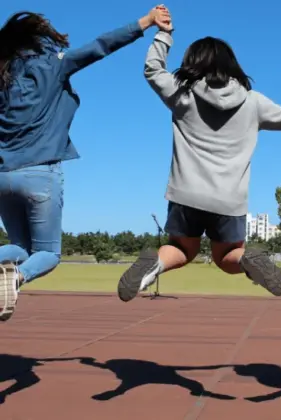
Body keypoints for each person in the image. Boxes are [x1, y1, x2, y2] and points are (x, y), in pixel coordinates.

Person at [117, 8, 281, 302]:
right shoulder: (253, 103)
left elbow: (153, 69)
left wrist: (163, 34)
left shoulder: (183, 94)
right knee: (227, 256)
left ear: (193, 63)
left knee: (182, 249)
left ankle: (155, 265)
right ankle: (247, 261)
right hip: (229, 201)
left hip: (185, 194)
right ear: (232, 65)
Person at [0, 6, 170, 321]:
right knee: (48, 254)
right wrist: (145, 22)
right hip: (40, 172)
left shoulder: (3, 78)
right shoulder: (53, 65)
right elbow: (100, 46)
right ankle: (15, 279)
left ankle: (10, 272)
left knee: (21, 248)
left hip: (3, 176)